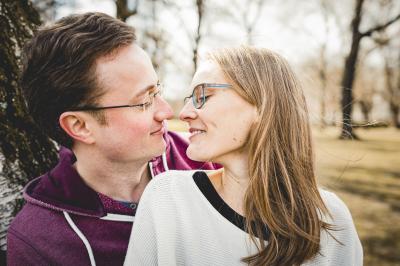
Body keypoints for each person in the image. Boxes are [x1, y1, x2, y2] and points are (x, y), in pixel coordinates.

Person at [6, 12, 218, 266]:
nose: (166, 112)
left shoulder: (204, 159)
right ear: (80, 126)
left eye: (157, 90)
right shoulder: (39, 242)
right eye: (143, 101)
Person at [124, 46, 363, 266]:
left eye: (202, 96)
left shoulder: (332, 220)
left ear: (261, 104)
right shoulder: (167, 198)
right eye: (189, 99)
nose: (184, 113)